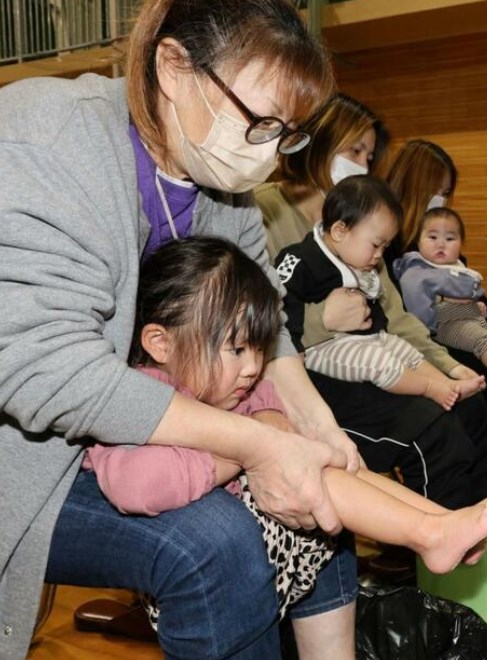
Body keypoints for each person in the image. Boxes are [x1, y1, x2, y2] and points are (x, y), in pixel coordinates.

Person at [0, 1, 369, 657]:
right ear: (172, 66)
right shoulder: (45, 140)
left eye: (286, 133)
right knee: (216, 545)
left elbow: (268, 322)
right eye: (259, 122)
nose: (267, 155)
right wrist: (256, 443)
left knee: (315, 508)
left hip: (134, 428)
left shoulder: (220, 186)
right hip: (28, 457)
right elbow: (43, 370)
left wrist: (316, 428)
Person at [83, 236, 487, 657]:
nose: (253, 366)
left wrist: (279, 436)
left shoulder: (237, 387)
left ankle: (441, 522)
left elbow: (279, 419)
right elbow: (138, 485)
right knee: (317, 474)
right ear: (160, 343)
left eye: (258, 349)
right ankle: (430, 535)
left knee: (342, 467)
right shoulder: (140, 392)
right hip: (204, 567)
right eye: (236, 349)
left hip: (270, 541)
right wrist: (244, 452)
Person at [258, 98, 487, 510]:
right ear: (317, 141)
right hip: (305, 372)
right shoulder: (264, 210)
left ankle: (481, 536)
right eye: (353, 150)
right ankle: (428, 550)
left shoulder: (365, 223)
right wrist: (324, 318)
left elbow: (397, 318)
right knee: (436, 432)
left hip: (368, 361)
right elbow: (257, 320)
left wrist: (448, 365)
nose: (362, 163)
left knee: (474, 410)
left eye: (369, 156)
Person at [386, 138, 487, 449]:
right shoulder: (392, 246)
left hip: (456, 330)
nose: (442, 200)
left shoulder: (440, 240)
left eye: (447, 193)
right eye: (439, 191)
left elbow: (474, 295)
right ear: (416, 185)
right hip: (422, 341)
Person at [276, 176, 485, 410]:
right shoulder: (299, 259)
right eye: (375, 245)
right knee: (379, 362)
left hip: (365, 339)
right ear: (339, 231)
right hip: (322, 347)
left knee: (401, 348)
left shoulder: (360, 259)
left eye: (385, 247)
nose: (379, 255)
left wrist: (449, 366)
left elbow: (385, 313)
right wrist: (294, 352)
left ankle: (448, 385)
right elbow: (283, 303)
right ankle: (431, 388)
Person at [393, 206, 487, 388]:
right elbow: (418, 310)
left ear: (461, 243)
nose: (441, 244)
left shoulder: (456, 267)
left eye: (450, 238)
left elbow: (471, 295)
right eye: (432, 237)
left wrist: (474, 308)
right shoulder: (417, 271)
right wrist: (429, 329)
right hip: (442, 326)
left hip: (469, 319)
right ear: (418, 241)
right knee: (483, 342)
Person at [256, 92, 390, 259]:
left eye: (369, 159)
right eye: (355, 151)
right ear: (321, 143)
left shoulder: (356, 219)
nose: (363, 167)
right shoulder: (262, 207)